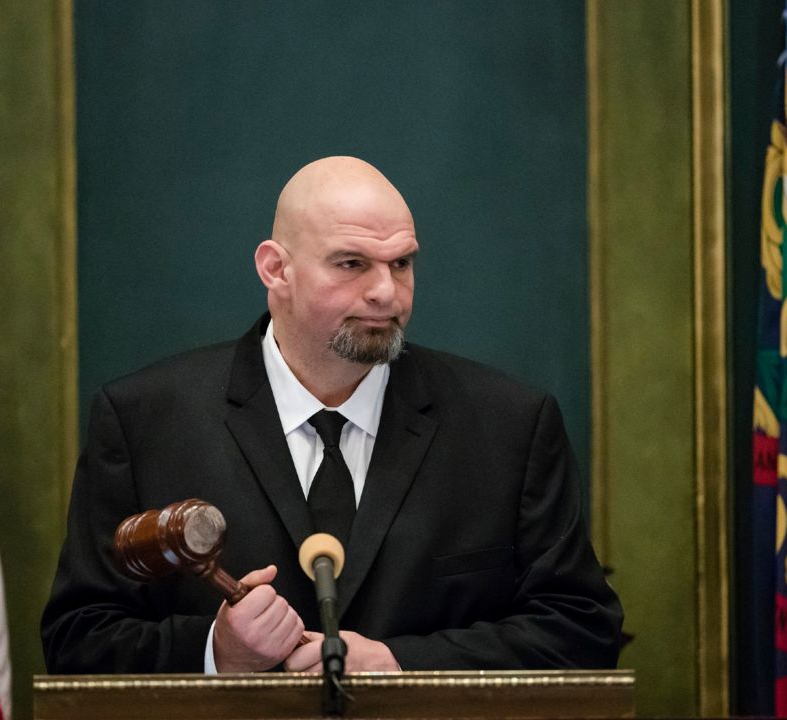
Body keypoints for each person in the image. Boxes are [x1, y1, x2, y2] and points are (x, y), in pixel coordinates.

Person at [41, 156, 623, 674]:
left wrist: (402, 663)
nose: (386, 294)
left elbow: (581, 627)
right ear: (276, 270)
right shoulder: (145, 420)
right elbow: (77, 640)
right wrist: (218, 652)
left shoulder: (510, 424)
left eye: (401, 264)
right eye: (351, 264)